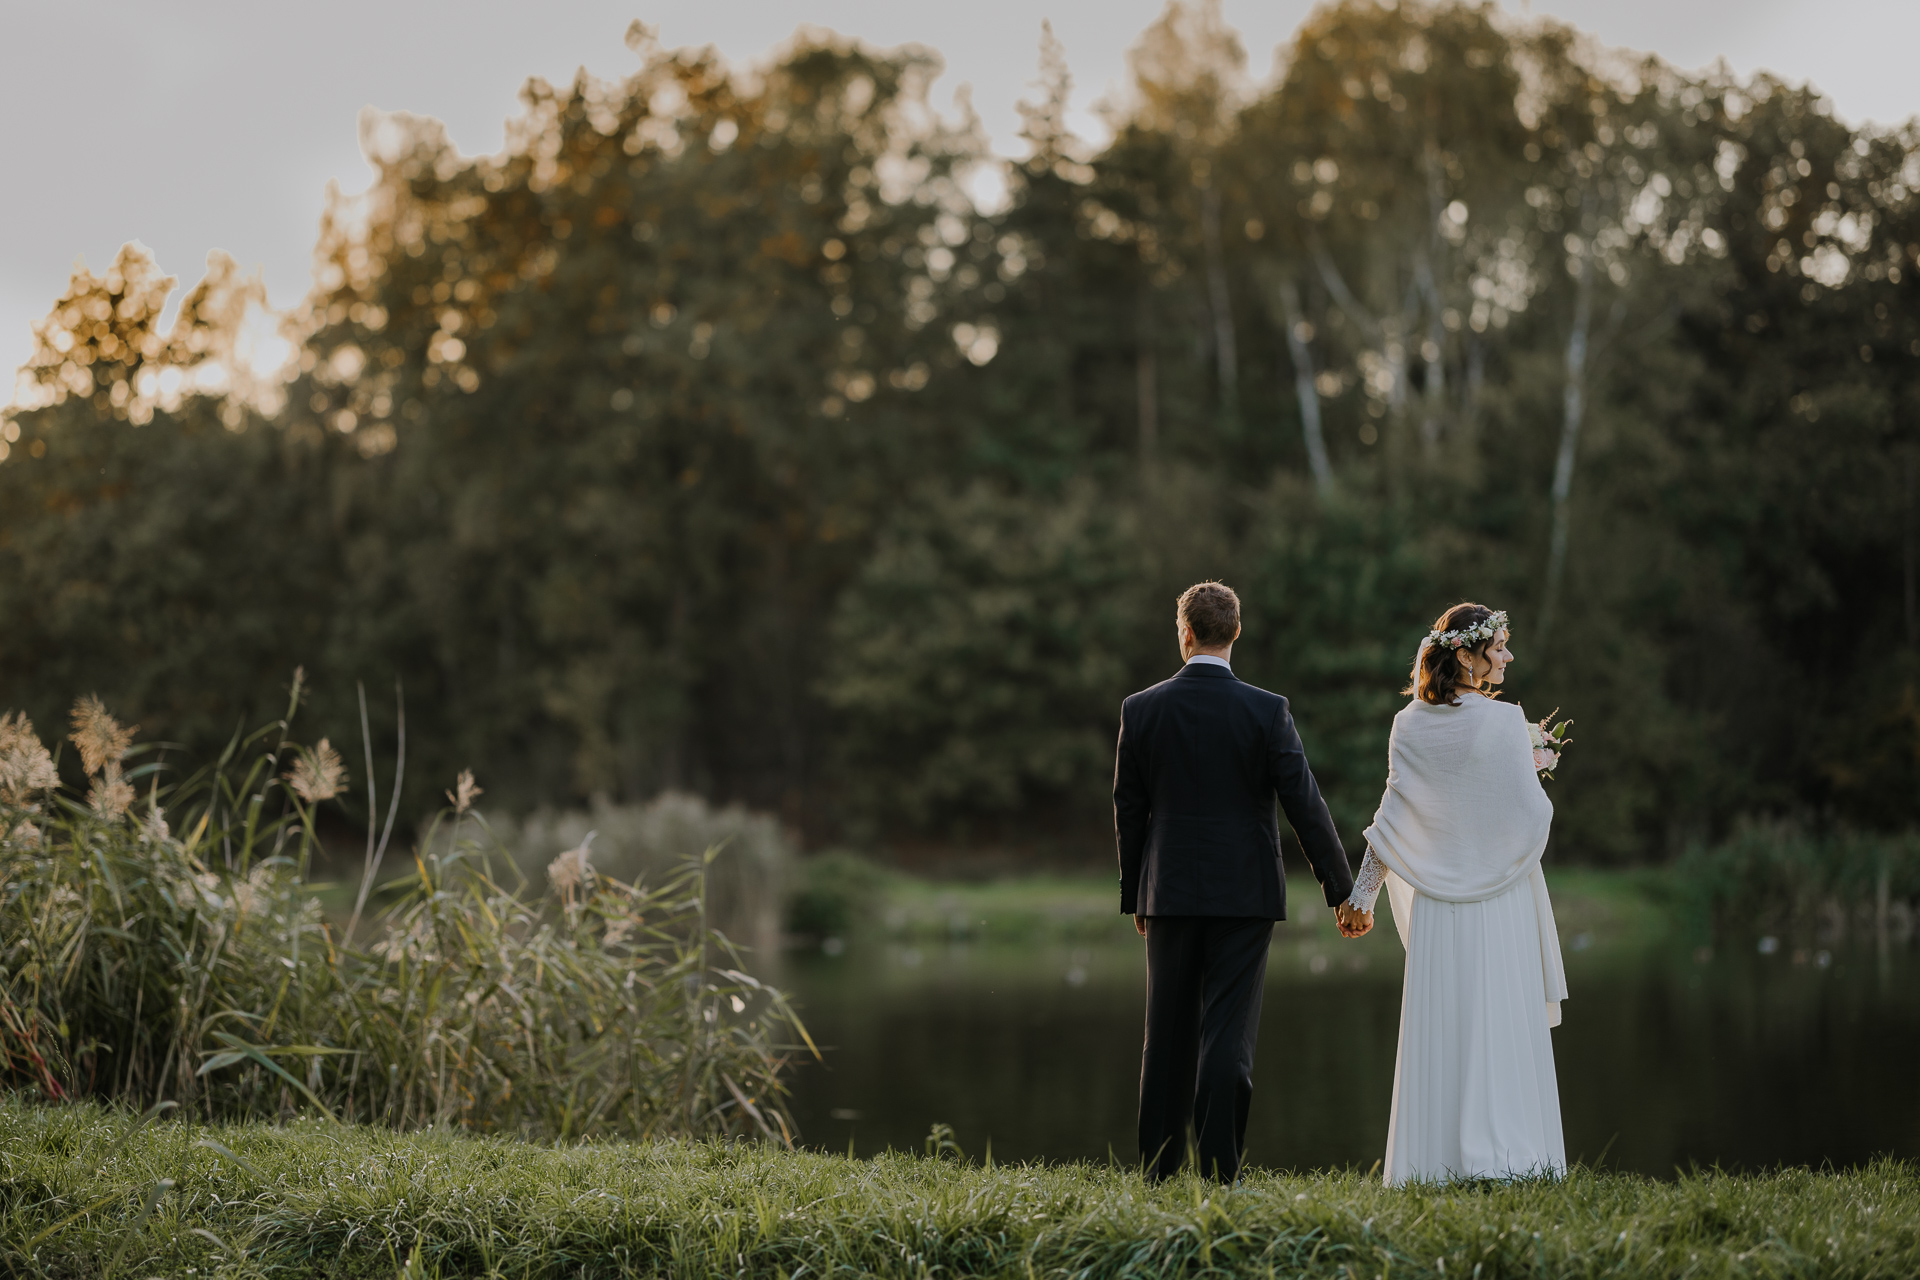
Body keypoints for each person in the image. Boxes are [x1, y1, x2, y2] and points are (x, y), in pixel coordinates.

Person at [1113, 581, 1368, 1182]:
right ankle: (1221, 1171)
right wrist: (1343, 891)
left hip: (1169, 891)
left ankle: (1156, 1169)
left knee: (1167, 1032)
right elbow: (1305, 803)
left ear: (1185, 634)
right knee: (1227, 1032)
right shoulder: (1266, 709)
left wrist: (1135, 895)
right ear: (1235, 634)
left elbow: (1128, 807)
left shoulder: (1141, 709)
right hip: (1246, 893)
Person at [1347, 602, 1568, 1185]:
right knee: (1500, 1019)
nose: (1507, 654)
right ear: (1466, 655)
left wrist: (1361, 896)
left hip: (1441, 907)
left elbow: (1392, 816)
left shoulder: (1408, 724)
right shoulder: (1503, 724)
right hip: (1501, 900)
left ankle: (1434, 1163)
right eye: (1498, 646)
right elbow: (1530, 815)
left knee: (1446, 1026)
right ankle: (1514, 1159)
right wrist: (1532, 767)